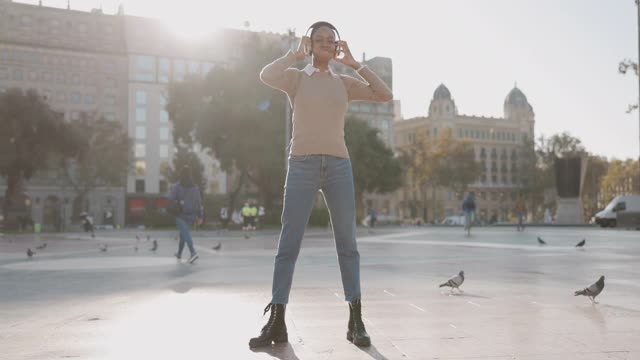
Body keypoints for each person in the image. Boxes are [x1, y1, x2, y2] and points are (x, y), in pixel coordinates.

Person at [249, 21, 392, 349]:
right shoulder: (296, 79)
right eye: (319, 39)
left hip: (339, 167)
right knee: (289, 244)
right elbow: (265, 75)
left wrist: (356, 65)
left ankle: (355, 319)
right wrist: (294, 54)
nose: (326, 43)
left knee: (347, 243)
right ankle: (277, 320)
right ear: (310, 44)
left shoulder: (344, 82)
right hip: (302, 165)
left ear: (338, 46)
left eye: (332, 40)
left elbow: (385, 95)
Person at [168, 165, 203, 264]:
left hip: (180, 214)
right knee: (183, 233)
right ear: (190, 174)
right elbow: (199, 203)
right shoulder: (195, 187)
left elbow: (170, 199)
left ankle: (193, 252)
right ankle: (179, 253)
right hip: (192, 215)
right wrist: (200, 216)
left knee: (185, 233)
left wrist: (175, 204)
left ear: (181, 174)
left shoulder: (177, 186)